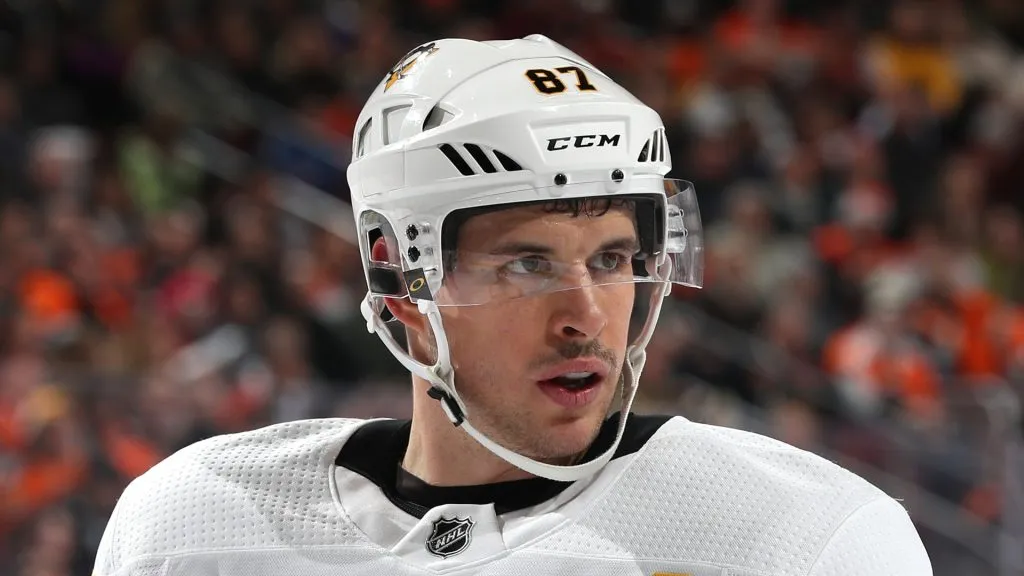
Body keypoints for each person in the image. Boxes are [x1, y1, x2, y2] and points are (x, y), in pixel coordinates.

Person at [93, 35, 933, 575]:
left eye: (612, 259)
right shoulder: (193, 523)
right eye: (528, 264)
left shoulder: (807, 538)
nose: (586, 317)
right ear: (399, 274)